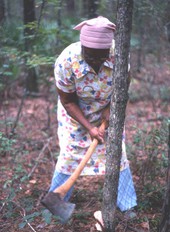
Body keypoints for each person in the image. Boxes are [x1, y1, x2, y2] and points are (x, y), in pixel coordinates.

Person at [45, 16, 137, 213]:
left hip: (109, 111)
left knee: (117, 153)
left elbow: (124, 87)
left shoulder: (119, 55)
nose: (96, 60)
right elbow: (68, 101)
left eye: (101, 56)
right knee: (70, 154)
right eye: (90, 55)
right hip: (76, 113)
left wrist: (111, 107)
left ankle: (127, 206)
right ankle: (55, 201)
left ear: (109, 50)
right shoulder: (67, 61)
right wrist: (89, 128)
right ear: (82, 46)